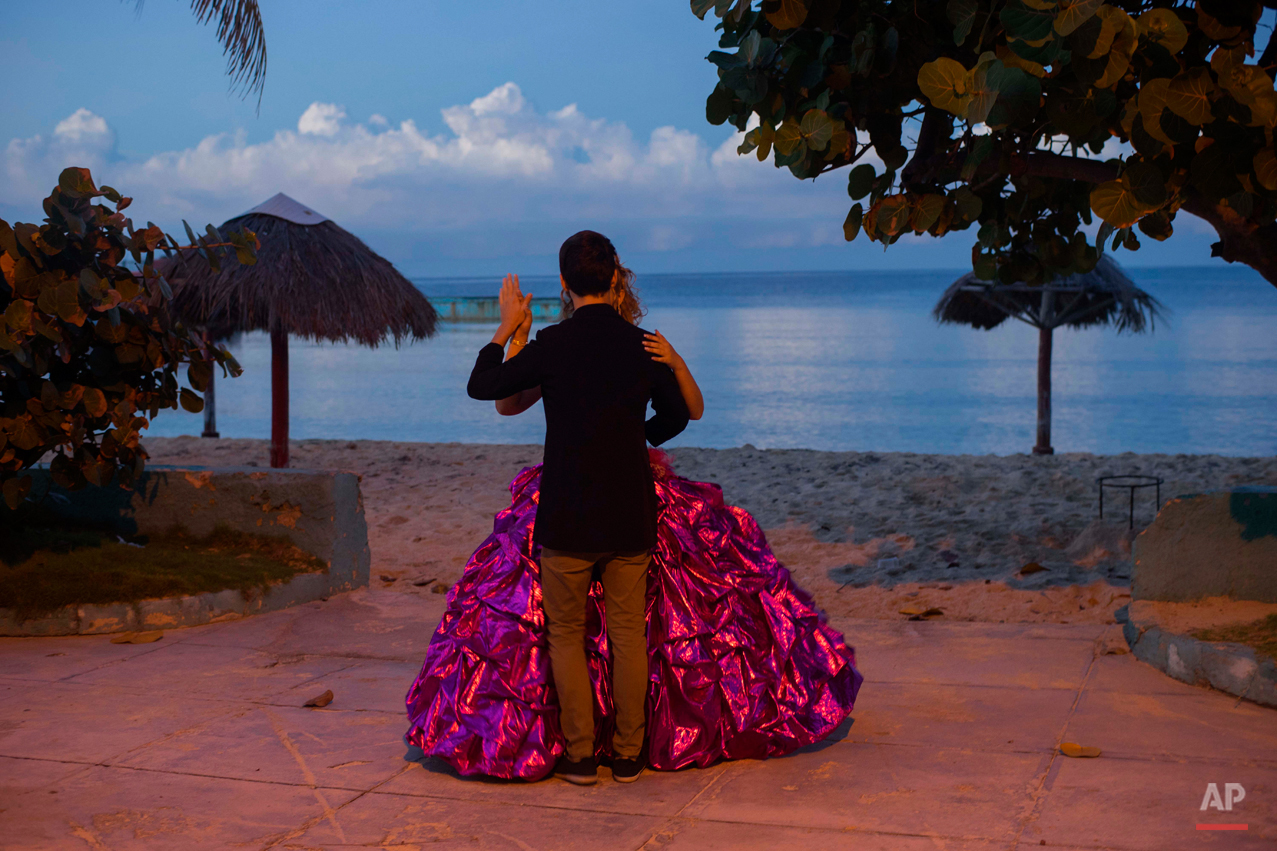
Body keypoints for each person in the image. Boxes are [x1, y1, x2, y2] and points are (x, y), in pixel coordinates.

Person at [405, 232, 861, 785]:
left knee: (566, 635)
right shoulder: (642, 345)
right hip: (630, 514)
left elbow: (485, 386)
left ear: (565, 284)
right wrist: (627, 435)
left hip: (567, 517)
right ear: (616, 277)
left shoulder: (552, 344)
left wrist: (507, 327)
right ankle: (628, 754)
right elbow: (675, 417)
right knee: (627, 635)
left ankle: (578, 756)